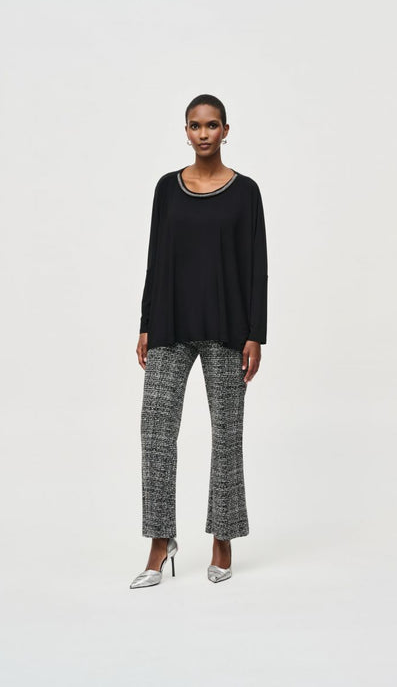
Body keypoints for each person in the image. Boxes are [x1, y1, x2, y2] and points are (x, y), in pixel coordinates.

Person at [129, 94, 268, 588]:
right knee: (155, 432)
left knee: (227, 436)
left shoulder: (246, 192)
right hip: (170, 323)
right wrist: (146, 322)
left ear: (226, 130)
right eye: (195, 125)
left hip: (228, 329)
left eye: (211, 125)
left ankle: (222, 539)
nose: (203, 133)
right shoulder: (166, 189)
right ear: (185, 131)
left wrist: (256, 334)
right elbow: (155, 257)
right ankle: (160, 541)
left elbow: (257, 265)